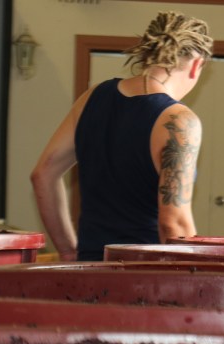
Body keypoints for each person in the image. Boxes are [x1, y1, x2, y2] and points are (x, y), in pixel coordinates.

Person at [30, 11, 213, 261]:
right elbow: (174, 223)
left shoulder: (93, 97)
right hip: (145, 278)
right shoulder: (179, 121)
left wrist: (67, 250)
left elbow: (43, 174)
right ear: (196, 66)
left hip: (90, 269)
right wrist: (199, 279)